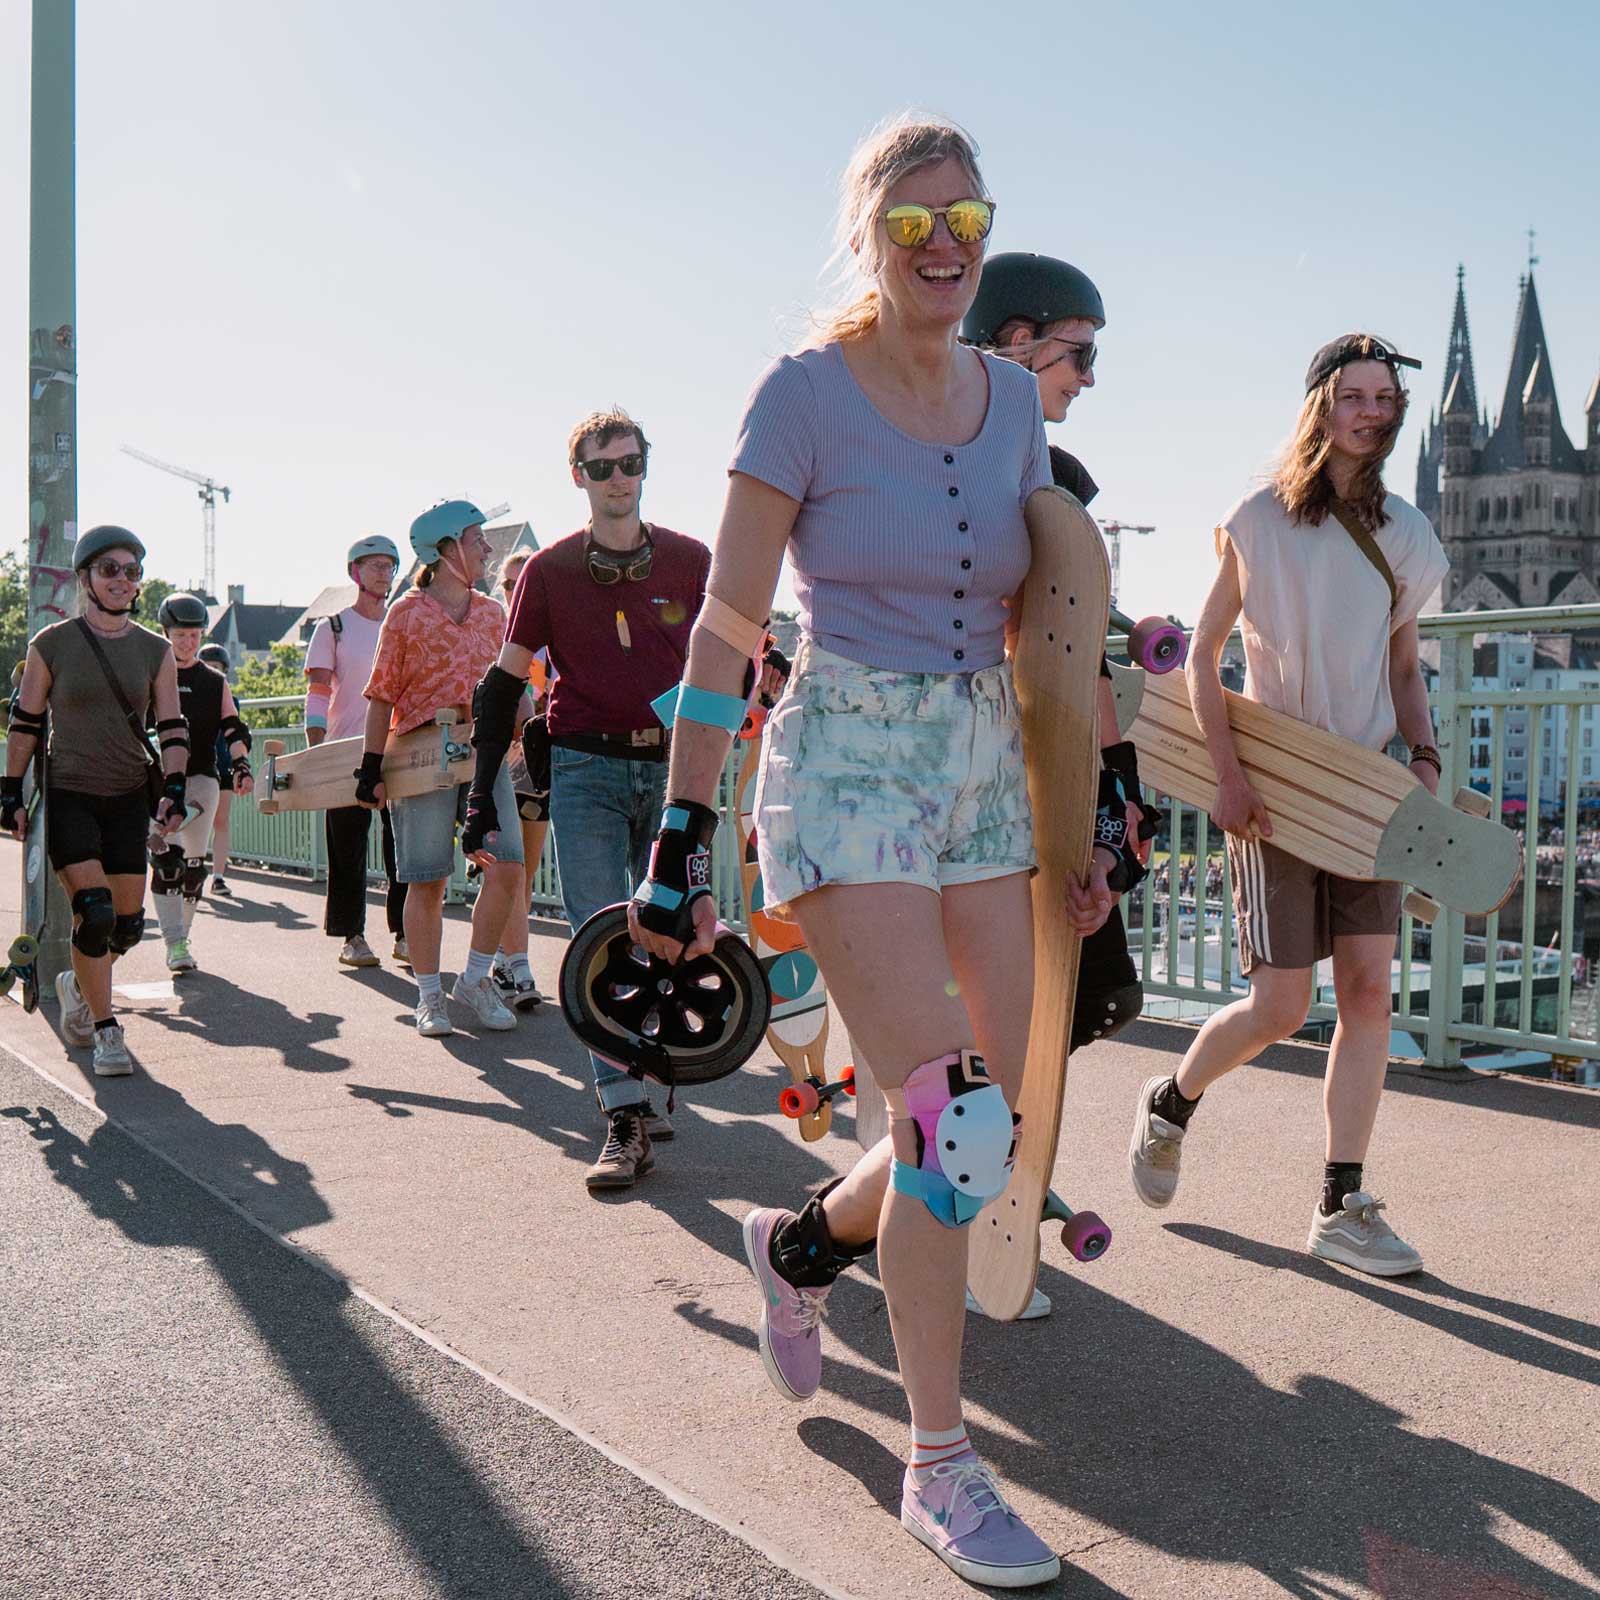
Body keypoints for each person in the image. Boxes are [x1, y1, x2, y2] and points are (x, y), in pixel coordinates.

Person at [626, 117, 1122, 1588]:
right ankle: (941, 1465)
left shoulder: (1012, 404)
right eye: (915, 223)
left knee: (975, 1136)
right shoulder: (800, 396)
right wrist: (680, 832)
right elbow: (727, 623)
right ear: (867, 237)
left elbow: (1058, 631)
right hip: (846, 762)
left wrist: (1084, 813)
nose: (949, 243)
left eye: (969, 217)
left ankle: (797, 1250)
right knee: (952, 1119)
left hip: (983, 771)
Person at [1127, 333, 1448, 1277]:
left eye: (1385, 397)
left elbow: (1402, 668)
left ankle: (1341, 1202)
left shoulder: (1407, 535)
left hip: (1370, 794)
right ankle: (1172, 1101)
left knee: (1367, 996)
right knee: (1278, 1004)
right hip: (1278, 785)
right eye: (1354, 395)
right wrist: (1227, 772)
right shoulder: (1259, 519)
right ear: (1321, 405)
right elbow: (1201, 653)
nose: (1372, 411)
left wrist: (1423, 756)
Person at [459, 407, 729, 1192]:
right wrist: (480, 796)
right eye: (601, 466)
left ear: (647, 467)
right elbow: (504, 683)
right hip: (583, 769)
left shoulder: (691, 560)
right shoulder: (548, 571)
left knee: (674, 929)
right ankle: (622, 1118)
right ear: (577, 476)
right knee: (600, 940)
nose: (618, 478)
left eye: (630, 463)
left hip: (679, 771)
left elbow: (734, 654)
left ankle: (655, 1071)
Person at [963, 251, 1157, 1321]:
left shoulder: (1063, 487)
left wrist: (1114, 821)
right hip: (960, 777)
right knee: (977, 1012)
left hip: (1049, 773)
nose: (1087, 377)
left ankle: (987, 1175)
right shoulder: (931, 466)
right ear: (1015, 341)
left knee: (1072, 996)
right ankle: (966, 1198)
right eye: (1077, 355)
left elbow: (1084, 665)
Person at [1, 526, 188, 1075]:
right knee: (96, 912)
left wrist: (174, 788)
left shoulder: (155, 651)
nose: (122, 580)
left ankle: (78, 983)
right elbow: (26, 724)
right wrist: (9, 791)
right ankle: (106, 1029)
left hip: (129, 796)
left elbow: (172, 727)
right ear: (85, 578)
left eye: (132, 571)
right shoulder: (51, 644)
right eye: (110, 569)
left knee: (126, 926)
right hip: (71, 794)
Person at [359, 500, 524, 1037]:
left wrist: (534, 725)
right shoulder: (405, 614)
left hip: (484, 753)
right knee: (428, 880)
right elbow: (381, 695)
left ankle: (474, 981)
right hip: (421, 753)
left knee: (508, 866)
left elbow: (509, 688)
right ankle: (429, 996)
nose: (487, 549)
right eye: (478, 539)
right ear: (448, 549)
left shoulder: (494, 614)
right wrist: (370, 766)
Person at [304, 536, 409, 969]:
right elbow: (317, 692)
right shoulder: (333, 627)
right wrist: (316, 750)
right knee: (347, 845)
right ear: (355, 572)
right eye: (374, 565)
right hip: (345, 748)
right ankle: (352, 935)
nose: (383, 572)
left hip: (397, 747)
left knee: (403, 845)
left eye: (389, 565)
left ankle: (405, 933)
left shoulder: (401, 625)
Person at [148, 593, 254, 972]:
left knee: (193, 870)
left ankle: (182, 939)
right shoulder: (152, 673)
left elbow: (233, 726)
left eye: (194, 636)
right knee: (167, 863)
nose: (188, 643)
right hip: (159, 782)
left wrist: (242, 765)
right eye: (180, 636)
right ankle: (175, 943)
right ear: (165, 633)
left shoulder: (214, 681)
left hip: (203, 780)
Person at [485, 544, 548, 1010]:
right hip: (492, 763)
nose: (517, 588)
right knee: (504, 868)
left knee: (525, 867)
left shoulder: (551, 633)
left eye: (524, 577)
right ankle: (507, 962)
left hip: (539, 763)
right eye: (509, 582)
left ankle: (507, 959)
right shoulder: (488, 627)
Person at [199, 643, 242, 896]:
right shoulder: (188, 696)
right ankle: (187, 868)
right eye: (208, 667)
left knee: (221, 821)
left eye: (218, 668)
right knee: (193, 821)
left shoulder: (231, 701)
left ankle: (218, 877)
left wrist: (240, 766)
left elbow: (236, 735)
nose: (213, 672)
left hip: (222, 766)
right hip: (197, 768)